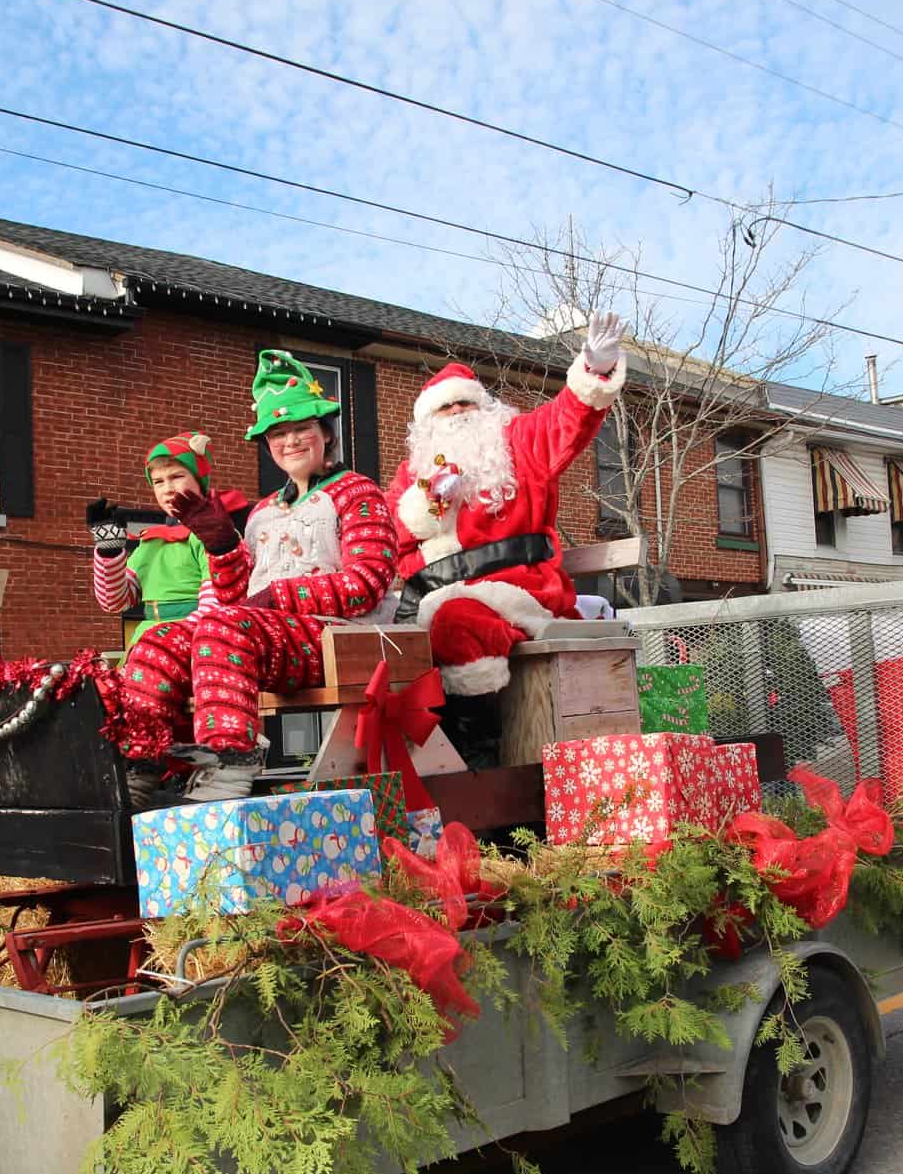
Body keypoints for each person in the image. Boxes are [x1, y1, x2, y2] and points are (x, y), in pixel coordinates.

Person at [111, 350, 399, 806]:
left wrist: (277, 597)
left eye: (301, 429)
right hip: (264, 634)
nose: (290, 441)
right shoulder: (263, 512)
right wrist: (223, 545)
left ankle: (230, 761)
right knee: (159, 641)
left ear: (325, 432)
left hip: (336, 637)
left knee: (225, 626)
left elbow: (369, 582)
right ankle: (143, 763)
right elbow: (234, 598)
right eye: (277, 434)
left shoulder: (357, 492)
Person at [386, 311, 627, 764]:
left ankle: (477, 759)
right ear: (428, 425)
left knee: (455, 621)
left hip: (516, 590)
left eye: (466, 404)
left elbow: (567, 419)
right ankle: (416, 764)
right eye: (446, 407)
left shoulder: (516, 442)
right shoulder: (411, 476)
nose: (457, 413)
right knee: (384, 644)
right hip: (428, 596)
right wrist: (427, 505)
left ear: (485, 408)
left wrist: (594, 370)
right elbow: (388, 541)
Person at [89, 432, 251, 651]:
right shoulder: (150, 541)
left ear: (199, 480)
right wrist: (109, 552)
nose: (167, 489)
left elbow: (216, 605)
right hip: (146, 643)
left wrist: (169, 641)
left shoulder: (215, 536)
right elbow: (115, 602)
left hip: (196, 644)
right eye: (158, 482)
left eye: (177, 477)